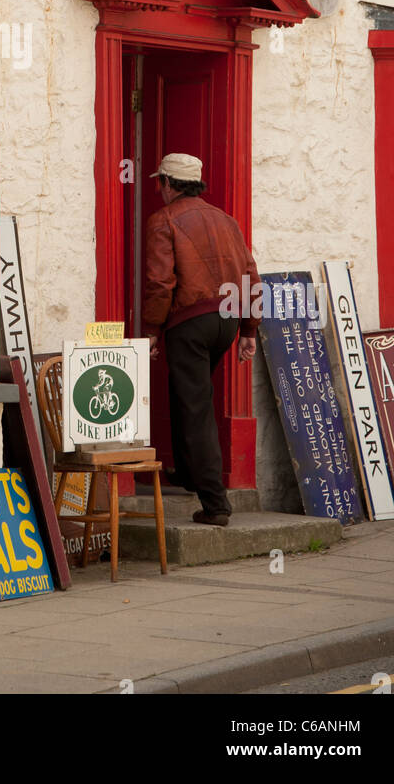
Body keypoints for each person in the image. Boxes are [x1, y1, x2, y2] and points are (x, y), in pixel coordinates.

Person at [142, 153, 260, 527]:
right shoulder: (226, 220)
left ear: (168, 183)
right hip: (225, 321)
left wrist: (150, 330)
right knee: (188, 394)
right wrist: (249, 331)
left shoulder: (163, 220)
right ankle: (188, 473)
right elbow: (250, 274)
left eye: (159, 181)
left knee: (195, 405)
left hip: (190, 322)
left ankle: (215, 504)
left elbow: (160, 283)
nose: (158, 188)